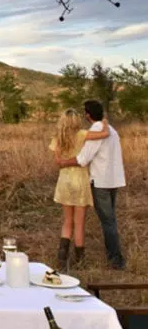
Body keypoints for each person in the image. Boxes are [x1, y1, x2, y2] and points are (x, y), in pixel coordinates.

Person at [57, 100, 127, 270]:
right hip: (114, 179)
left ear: (88, 115)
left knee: (107, 220)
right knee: (109, 219)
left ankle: (115, 259)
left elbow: (83, 159)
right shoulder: (111, 129)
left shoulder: (95, 130)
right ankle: (108, 256)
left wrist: (64, 163)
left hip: (100, 181)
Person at [49, 109, 110, 270]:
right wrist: (104, 121)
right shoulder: (82, 134)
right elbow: (104, 134)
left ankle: (62, 259)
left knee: (67, 221)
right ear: (76, 121)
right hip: (80, 180)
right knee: (79, 223)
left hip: (64, 181)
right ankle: (80, 260)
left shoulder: (57, 138)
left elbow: (58, 162)